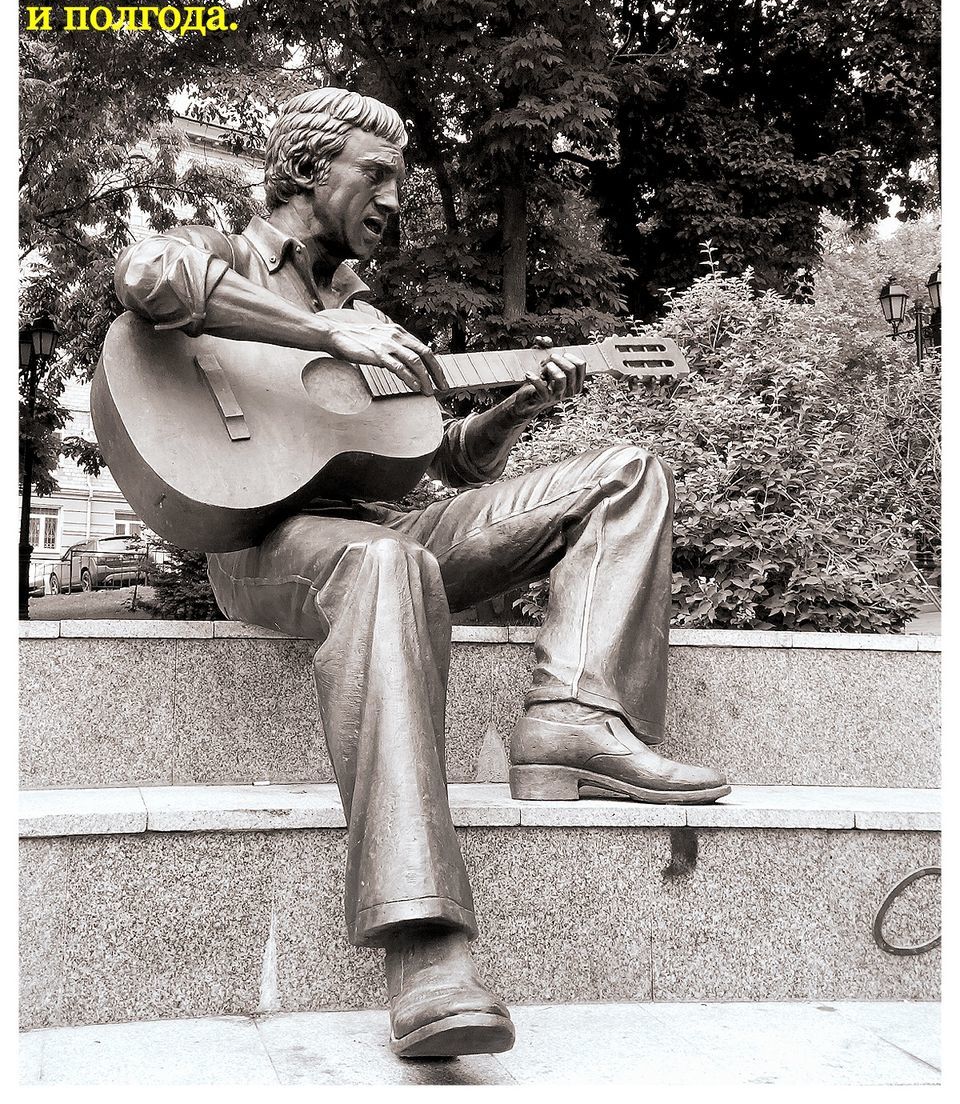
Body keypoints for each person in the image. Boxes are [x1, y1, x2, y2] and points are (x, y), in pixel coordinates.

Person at [115, 87, 729, 1060]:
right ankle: (427, 947)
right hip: (269, 543)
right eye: (379, 173)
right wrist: (321, 335)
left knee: (624, 474)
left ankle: (576, 715)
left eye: (401, 177)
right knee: (386, 561)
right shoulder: (236, 257)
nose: (397, 196)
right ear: (309, 171)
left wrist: (510, 413)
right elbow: (148, 276)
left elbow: (436, 461)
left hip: (386, 529)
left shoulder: (366, 307)